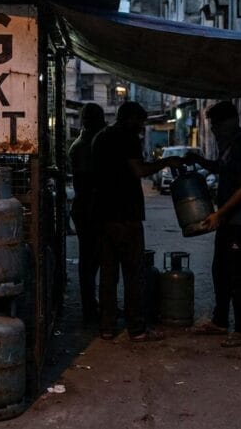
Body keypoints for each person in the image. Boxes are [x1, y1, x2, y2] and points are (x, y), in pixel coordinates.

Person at [92, 101, 182, 342]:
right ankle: (137, 329)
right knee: (134, 274)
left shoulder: (100, 138)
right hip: (126, 216)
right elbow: (139, 170)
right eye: (140, 122)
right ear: (130, 119)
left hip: (103, 215)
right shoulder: (128, 138)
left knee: (108, 275)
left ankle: (107, 327)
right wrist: (166, 162)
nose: (142, 127)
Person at [185, 101, 241, 347]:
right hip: (228, 222)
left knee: (238, 275)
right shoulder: (227, 147)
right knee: (220, 271)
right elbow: (221, 169)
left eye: (217, 124)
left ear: (230, 121)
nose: (214, 129)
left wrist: (220, 214)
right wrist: (200, 161)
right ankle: (219, 321)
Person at [68, 103, 107, 323]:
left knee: (92, 261)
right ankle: (90, 309)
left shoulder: (84, 144)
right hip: (89, 210)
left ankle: (93, 306)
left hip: (87, 209)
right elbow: (88, 183)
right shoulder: (85, 146)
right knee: (90, 263)